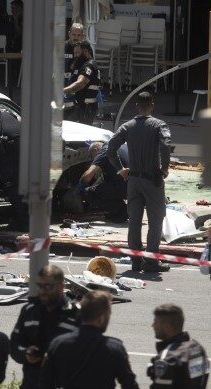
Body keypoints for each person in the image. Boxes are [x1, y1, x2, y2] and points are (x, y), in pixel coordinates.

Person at [108, 91, 172, 273]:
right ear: (152, 105)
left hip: (133, 180)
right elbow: (165, 145)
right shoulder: (159, 125)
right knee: (155, 221)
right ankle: (151, 262)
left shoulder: (127, 126)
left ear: (137, 106)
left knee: (134, 221)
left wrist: (121, 169)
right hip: (153, 180)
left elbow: (111, 148)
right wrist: (164, 168)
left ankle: (136, 261)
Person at [78, 141, 129, 222]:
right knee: (106, 187)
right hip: (144, 187)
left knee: (87, 192)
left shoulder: (105, 151)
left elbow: (89, 174)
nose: (93, 159)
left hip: (127, 187)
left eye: (92, 156)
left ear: (95, 150)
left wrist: (79, 188)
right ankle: (124, 209)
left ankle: (123, 211)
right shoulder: (122, 145)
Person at [63, 40, 100, 126]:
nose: (75, 55)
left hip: (85, 110)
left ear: (85, 51)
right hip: (82, 109)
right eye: (74, 53)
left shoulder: (89, 66)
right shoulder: (82, 65)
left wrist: (61, 91)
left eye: (77, 53)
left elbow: (80, 83)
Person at [63, 23, 84, 119]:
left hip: (76, 83)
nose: (76, 37)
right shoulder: (61, 47)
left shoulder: (85, 49)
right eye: (74, 34)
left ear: (82, 36)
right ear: (69, 34)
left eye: (78, 35)